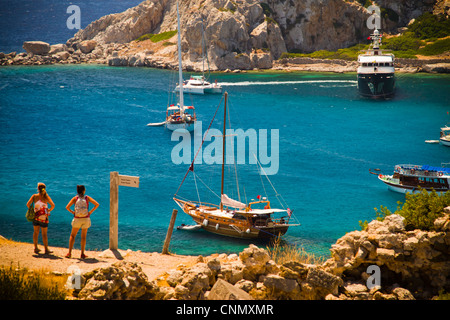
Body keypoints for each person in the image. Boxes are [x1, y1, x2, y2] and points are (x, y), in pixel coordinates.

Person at [65, 185, 99, 259]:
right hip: (85, 218)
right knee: (83, 237)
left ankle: (69, 253)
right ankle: (82, 254)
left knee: (72, 235)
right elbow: (97, 204)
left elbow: (67, 207)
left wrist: (72, 212)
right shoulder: (87, 198)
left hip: (77, 219)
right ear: (83, 191)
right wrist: (90, 212)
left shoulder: (75, 198)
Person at [26, 182, 55, 254]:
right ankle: (46, 249)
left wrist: (33, 210)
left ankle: (35, 248)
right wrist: (48, 210)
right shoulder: (46, 197)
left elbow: (28, 204)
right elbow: (53, 205)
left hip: (35, 217)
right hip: (44, 218)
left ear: (38, 189)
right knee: (44, 234)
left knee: (35, 232)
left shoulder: (34, 196)